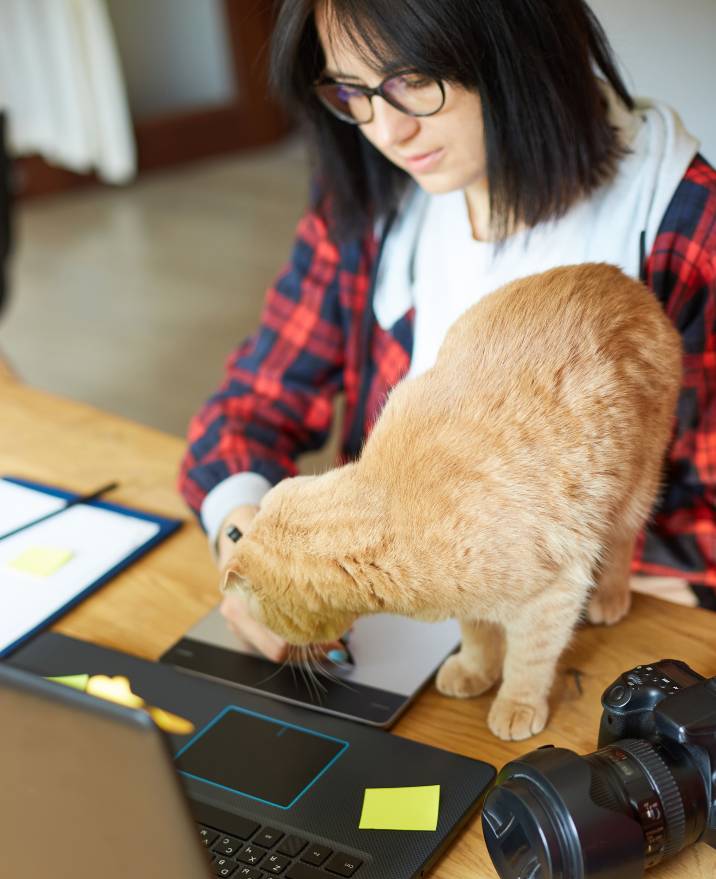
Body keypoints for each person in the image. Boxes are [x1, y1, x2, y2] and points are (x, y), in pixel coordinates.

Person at [179, 0, 716, 660]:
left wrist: (527, 576)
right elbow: (248, 410)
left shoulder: (683, 225)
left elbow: (704, 533)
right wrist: (251, 552)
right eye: (353, 92)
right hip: (398, 629)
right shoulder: (371, 198)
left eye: (413, 81)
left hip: (596, 643)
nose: (387, 132)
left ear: (517, 45)